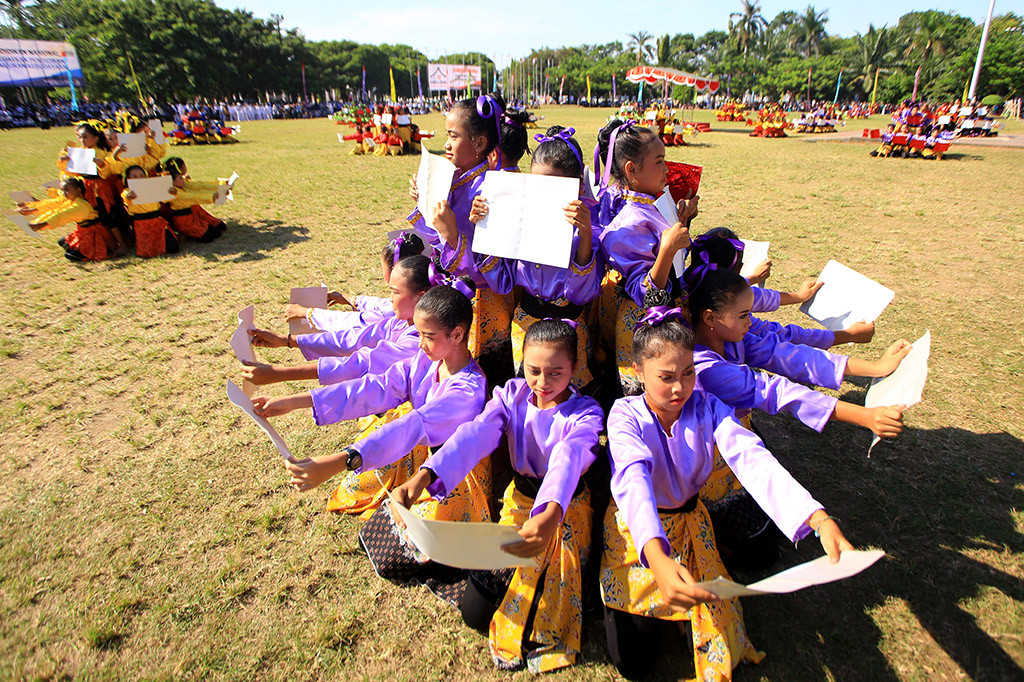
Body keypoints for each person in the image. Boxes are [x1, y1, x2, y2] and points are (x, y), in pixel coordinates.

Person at [600, 311, 855, 680]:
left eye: (688, 373)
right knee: (634, 661)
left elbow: (753, 459)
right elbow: (633, 480)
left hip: (689, 523)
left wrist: (817, 518)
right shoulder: (624, 415)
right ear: (639, 371)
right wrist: (655, 556)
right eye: (666, 377)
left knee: (722, 648)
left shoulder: (708, 407)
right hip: (635, 534)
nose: (679, 387)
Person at [393, 319, 603, 672]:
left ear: (574, 367)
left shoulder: (587, 412)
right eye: (534, 371)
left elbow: (569, 457)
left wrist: (550, 513)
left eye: (556, 372)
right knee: (474, 613)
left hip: (563, 510)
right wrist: (425, 476)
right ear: (523, 363)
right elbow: (476, 434)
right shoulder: (511, 395)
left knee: (549, 605)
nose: (542, 383)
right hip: (520, 505)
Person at [468, 126, 603, 391]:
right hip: (525, 324)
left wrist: (585, 234)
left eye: (553, 186)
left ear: (576, 183)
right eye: (536, 183)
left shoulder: (587, 229)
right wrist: (484, 226)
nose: (542, 193)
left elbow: (581, 293)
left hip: (569, 327)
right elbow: (502, 282)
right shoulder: (518, 218)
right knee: (531, 390)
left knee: (566, 396)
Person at [595, 120, 698, 395]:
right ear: (631, 169)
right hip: (643, 324)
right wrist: (666, 249)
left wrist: (684, 219)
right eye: (659, 162)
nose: (667, 170)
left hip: (662, 315)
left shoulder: (647, 202)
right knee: (648, 396)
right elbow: (644, 292)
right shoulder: (629, 221)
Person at [242, 254, 430, 387]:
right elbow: (354, 338)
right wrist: (287, 341)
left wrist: (278, 373)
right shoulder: (400, 322)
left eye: (395, 292)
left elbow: (359, 364)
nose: (389, 299)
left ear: (420, 297)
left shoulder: (418, 341)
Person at [688, 228, 876, 348]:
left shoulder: (685, 286)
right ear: (737, 269)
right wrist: (846, 335)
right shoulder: (744, 330)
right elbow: (786, 337)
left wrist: (752, 278)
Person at [20, 177, 110, 262]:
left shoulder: (80, 206)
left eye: (67, 190)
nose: (64, 193)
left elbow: (61, 215)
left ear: (78, 190)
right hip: (82, 231)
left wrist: (42, 224)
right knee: (62, 242)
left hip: (94, 233)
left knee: (71, 255)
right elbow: (55, 209)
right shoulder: (71, 201)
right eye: (63, 190)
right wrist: (34, 212)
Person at [121, 165, 179, 258]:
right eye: (135, 176)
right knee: (148, 253)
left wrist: (172, 193)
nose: (139, 178)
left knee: (173, 248)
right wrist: (129, 197)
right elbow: (126, 198)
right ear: (128, 179)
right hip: (142, 224)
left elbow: (164, 199)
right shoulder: (127, 191)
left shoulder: (152, 187)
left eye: (141, 175)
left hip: (157, 221)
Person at [167, 168, 225, 242]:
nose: (183, 179)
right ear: (173, 182)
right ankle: (185, 233)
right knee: (208, 238)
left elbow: (198, 190)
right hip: (183, 221)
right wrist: (212, 196)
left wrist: (217, 191)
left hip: (192, 218)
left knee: (217, 233)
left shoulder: (182, 188)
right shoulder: (176, 194)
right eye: (180, 178)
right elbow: (193, 197)